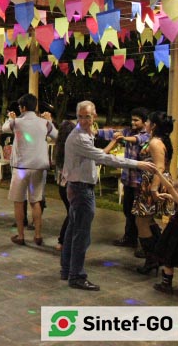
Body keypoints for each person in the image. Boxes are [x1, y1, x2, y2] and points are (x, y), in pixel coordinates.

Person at [60, 101, 154, 291]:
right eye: (80, 117)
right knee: (81, 235)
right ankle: (76, 276)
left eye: (88, 116)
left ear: (94, 116)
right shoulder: (79, 137)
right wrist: (137, 164)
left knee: (73, 230)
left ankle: (67, 270)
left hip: (79, 187)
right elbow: (104, 157)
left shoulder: (85, 133)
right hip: (80, 189)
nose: (84, 120)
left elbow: (105, 141)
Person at [2, 93, 57, 246]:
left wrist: (10, 118)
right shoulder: (44, 123)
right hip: (38, 167)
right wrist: (50, 121)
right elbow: (57, 135)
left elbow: (4, 128)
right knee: (36, 201)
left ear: (23, 107)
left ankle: (21, 235)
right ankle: (38, 235)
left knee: (19, 201)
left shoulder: (16, 122)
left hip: (20, 167)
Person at [131, 111, 176, 275]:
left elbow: (160, 167)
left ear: (154, 125)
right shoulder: (159, 140)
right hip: (154, 181)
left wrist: (153, 189)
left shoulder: (156, 142)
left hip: (154, 183)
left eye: (148, 121)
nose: (146, 123)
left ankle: (153, 259)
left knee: (141, 221)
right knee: (147, 220)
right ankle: (157, 256)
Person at [109, 108, 150, 252]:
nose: (133, 122)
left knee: (139, 213)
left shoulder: (146, 134)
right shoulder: (127, 131)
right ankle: (130, 238)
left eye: (136, 120)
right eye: (132, 119)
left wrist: (123, 139)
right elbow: (111, 133)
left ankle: (145, 243)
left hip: (139, 181)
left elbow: (138, 140)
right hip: (128, 180)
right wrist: (95, 132)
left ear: (144, 122)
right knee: (127, 210)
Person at [153, 173, 178, 294]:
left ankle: (166, 284)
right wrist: (170, 196)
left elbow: (170, 187)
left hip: (176, 232)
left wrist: (158, 173)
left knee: (169, 256)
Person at [53, 120, 76, 252]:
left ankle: (65, 241)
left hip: (62, 185)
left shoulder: (59, 147)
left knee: (71, 213)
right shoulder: (72, 148)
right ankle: (63, 241)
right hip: (70, 185)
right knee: (72, 214)